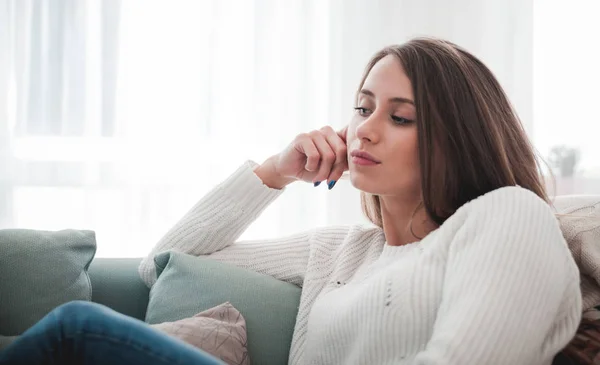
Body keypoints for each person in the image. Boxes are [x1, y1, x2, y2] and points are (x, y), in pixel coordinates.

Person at [0, 37, 582, 365]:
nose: (364, 131)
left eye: (400, 117)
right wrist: (274, 173)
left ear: (461, 135)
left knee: (79, 329)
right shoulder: (339, 253)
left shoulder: (507, 215)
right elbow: (164, 261)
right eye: (362, 108)